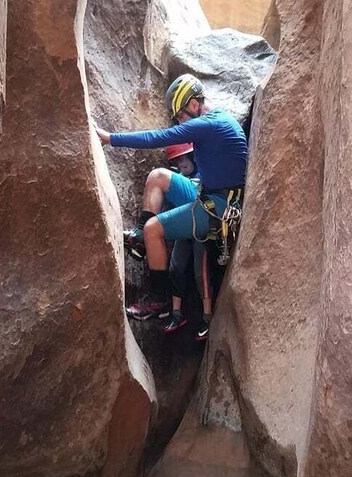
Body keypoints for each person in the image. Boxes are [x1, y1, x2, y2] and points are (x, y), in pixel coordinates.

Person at [96, 74, 248, 338]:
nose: (179, 122)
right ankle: (142, 241)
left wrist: (110, 138)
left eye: (180, 115)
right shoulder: (217, 119)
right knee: (158, 176)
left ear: (192, 104)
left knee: (155, 228)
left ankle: (159, 299)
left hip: (218, 208)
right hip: (207, 191)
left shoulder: (206, 124)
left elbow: (158, 137)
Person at [126, 143, 213, 340]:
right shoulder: (180, 183)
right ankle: (175, 314)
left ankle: (207, 317)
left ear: (193, 156)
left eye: (184, 159)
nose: (181, 164)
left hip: (202, 224)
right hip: (185, 227)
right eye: (177, 161)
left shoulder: (202, 174)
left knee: (202, 271)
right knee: (176, 267)